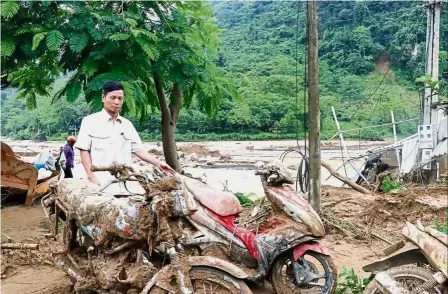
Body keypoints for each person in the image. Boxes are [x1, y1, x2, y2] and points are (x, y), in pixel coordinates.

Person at [75, 81, 171, 187]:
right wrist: (91, 177)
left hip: (126, 183)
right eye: (113, 98)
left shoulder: (127, 125)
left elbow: (138, 150)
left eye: (120, 98)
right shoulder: (90, 121)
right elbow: (84, 150)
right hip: (101, 183)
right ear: (103, 98)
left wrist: (159, 163)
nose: (117, 102)